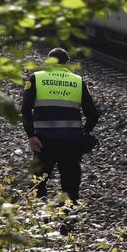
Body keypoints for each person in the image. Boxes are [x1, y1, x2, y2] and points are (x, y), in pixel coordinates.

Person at [19, 47, 100, 203]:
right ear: (67, 63)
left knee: (38, 184)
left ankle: (40, 221)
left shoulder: (36, 78)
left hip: (43, 142)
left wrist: (31, 136)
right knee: (70, 186)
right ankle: (67, 222)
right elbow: (93, 115)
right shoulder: (77, 81)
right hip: (71, 143)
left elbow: (25, 110)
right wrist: (84, 133)